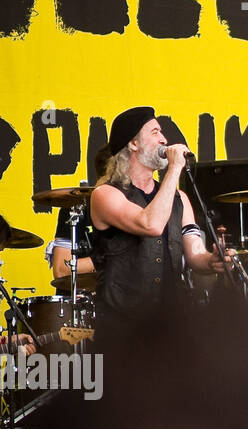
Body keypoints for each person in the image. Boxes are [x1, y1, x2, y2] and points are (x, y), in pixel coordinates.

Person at [88, 107, 231, 333]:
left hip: (171, 322)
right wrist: (175, 168)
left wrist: (211, 260)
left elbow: (194, 254)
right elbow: (151, 224)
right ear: (133, 144)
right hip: (124, 327)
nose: (164, 139)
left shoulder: (179, 199)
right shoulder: (105, 195)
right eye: (155, 132)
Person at [46, 145, 112, 286]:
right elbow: (62, 270)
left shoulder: (139, 210)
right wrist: (111, 258)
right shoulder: (77, 207)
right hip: (84, 302)